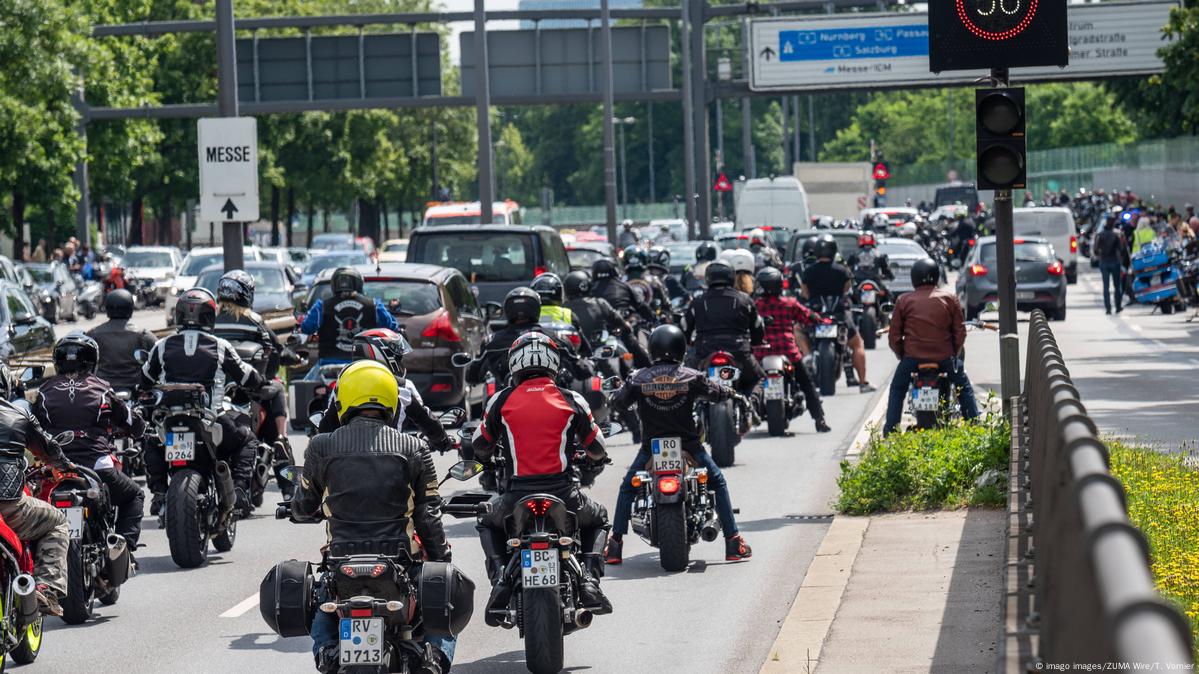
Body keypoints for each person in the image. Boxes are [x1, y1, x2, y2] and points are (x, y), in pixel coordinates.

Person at [293, 360, 454, 674]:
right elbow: (428, 515)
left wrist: (298, 507)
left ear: (344, 401)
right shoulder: (414, 446)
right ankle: (434, 659)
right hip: (402, 562)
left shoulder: (320, 446)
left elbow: (304, 504)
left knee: (322, 605)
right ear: (391, 401)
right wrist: (442, 557)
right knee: (444, 596)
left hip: (341, 563)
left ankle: (327, 652)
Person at [471, 332, 612, 622]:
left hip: (515, 497)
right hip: (564, 494)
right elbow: (598, 449)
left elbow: (480, 446)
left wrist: (487, 459)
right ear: (554, 363)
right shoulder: (571, 399)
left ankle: (500, 580)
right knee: (598, 518)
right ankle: (589, 580)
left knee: (486, 519)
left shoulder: (501, 400)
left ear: (514, 364)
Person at [606, 325, 753, 564]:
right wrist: (730, 392)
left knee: (627, 489)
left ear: (653, 349)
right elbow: (716, 393)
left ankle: (614, 547)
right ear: (681, 348)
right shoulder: (692, 376)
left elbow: (620, 403)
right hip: (690, 446)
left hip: (651, 447)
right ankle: (733, 542)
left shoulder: (638, 378)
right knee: (718, 481)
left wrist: (616, 397)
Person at [140, 288, 273, 517]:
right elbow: (245, 376)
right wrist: (261, 382)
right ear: (210, 316)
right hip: (211, 421)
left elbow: (144, 380)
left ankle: (159, 493)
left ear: (179, 315)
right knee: (248, 440)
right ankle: (240, 489)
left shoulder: (162, 346)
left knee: (151, 442)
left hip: (170, 421)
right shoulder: (219, 346)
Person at [34, 333, 146, 551]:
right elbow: (131, 421)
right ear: (93, 361)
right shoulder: (103, 388)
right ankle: (122, 551)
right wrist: (141, 430)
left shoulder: (44, 392)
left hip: (55, 471)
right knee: (135, 496)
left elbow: (32, 427)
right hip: (98, 468)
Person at [214, 269, 301, 495]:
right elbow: (276, 349)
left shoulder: (210, 321)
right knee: (278, 390)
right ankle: (288, 486)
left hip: (214, 391)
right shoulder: (255, 321)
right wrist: (295, 358)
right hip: (249, 389)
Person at [315, 328, 455, 456]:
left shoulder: (343, 384)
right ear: (380, 353)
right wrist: (442, 440)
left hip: (344, 462)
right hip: (392, 460)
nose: (400, 360)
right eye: (397, 356)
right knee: (424, 477)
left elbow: (325, 427)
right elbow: (425, 419)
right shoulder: (402, 386)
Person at [883, 258, 979, 435]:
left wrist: (902, 354)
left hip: (912, 358)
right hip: (944, 357)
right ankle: (976, 429)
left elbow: (894, 336)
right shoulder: (949, 298)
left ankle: (890, 433)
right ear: (936, 276)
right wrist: (953, 353)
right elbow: (960, 332)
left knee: (897, 389)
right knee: (963, 388)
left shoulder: (903, 300)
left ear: (914, 278)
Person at [0, 396, 75, 616]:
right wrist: (65, 464)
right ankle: (46, 588)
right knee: (58, 522)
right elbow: (48, 449)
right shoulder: (17, 414)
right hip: (8, 507)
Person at [752, 267, 831, 433]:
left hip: (761, 353)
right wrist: (820, 319)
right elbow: (808, 316)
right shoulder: (789, 303)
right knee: (807, 384)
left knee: (749, 384)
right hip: (788, 352)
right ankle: (819, 420)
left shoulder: (754, 306)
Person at [683, 261, 765, 407]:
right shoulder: (745, 300)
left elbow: (684, 328)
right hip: (739, 351)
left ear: (708, 278)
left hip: (704, 351)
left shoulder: (698, 301)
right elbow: (757, 327)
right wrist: (756, 342)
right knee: (760, 378)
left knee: (684, 380)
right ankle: (752, 403)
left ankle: (687, 411)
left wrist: (687, 343)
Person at [800, 234, 875, 392]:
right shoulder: (842, 271)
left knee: (797, 330)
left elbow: (805, 293)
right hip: (839, 314)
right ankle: (863, 383)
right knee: (857, 344)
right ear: (834, 250)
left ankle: (807, 356)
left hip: (816, 315)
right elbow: (846, 290)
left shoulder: (808, 271)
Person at [299, 267, 397, 376]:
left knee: (306, 389)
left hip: (328, 366)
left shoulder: (321, 307)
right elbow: (391, 327)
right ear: (359, 283)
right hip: (364, 366)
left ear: (334, 285)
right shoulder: (374, 305)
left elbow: (306, 327)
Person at [562, 270, 650, 368]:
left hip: (576, 357)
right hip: (599, 353)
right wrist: (627, 326)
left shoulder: (563, 309)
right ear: (586, 286)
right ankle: (648, 370)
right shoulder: (599, 303)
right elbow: (619, 321)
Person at [86, 289, 157, 395]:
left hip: (101, 389)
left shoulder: (92, 335)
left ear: (107, 308)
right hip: (135, 389)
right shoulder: (142, 334)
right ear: (130, 308)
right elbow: (158, 356)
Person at [590, 258, 654, 323]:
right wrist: (653, 320)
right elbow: (642, 306)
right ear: (614, 270)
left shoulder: (589, 288)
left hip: (614, 325)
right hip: (621, 324)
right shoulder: (625, 286)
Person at [1093, 217, 1127, 314]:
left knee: (1106, 287)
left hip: (1104, 262)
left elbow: (1095, 250)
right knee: (1117, 286)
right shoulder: (1116, 234)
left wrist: (1100, 256)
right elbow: (1121, 249)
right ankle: (1118, 306)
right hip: (1115, 262)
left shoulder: (1100, 235)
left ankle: (1108, 308)